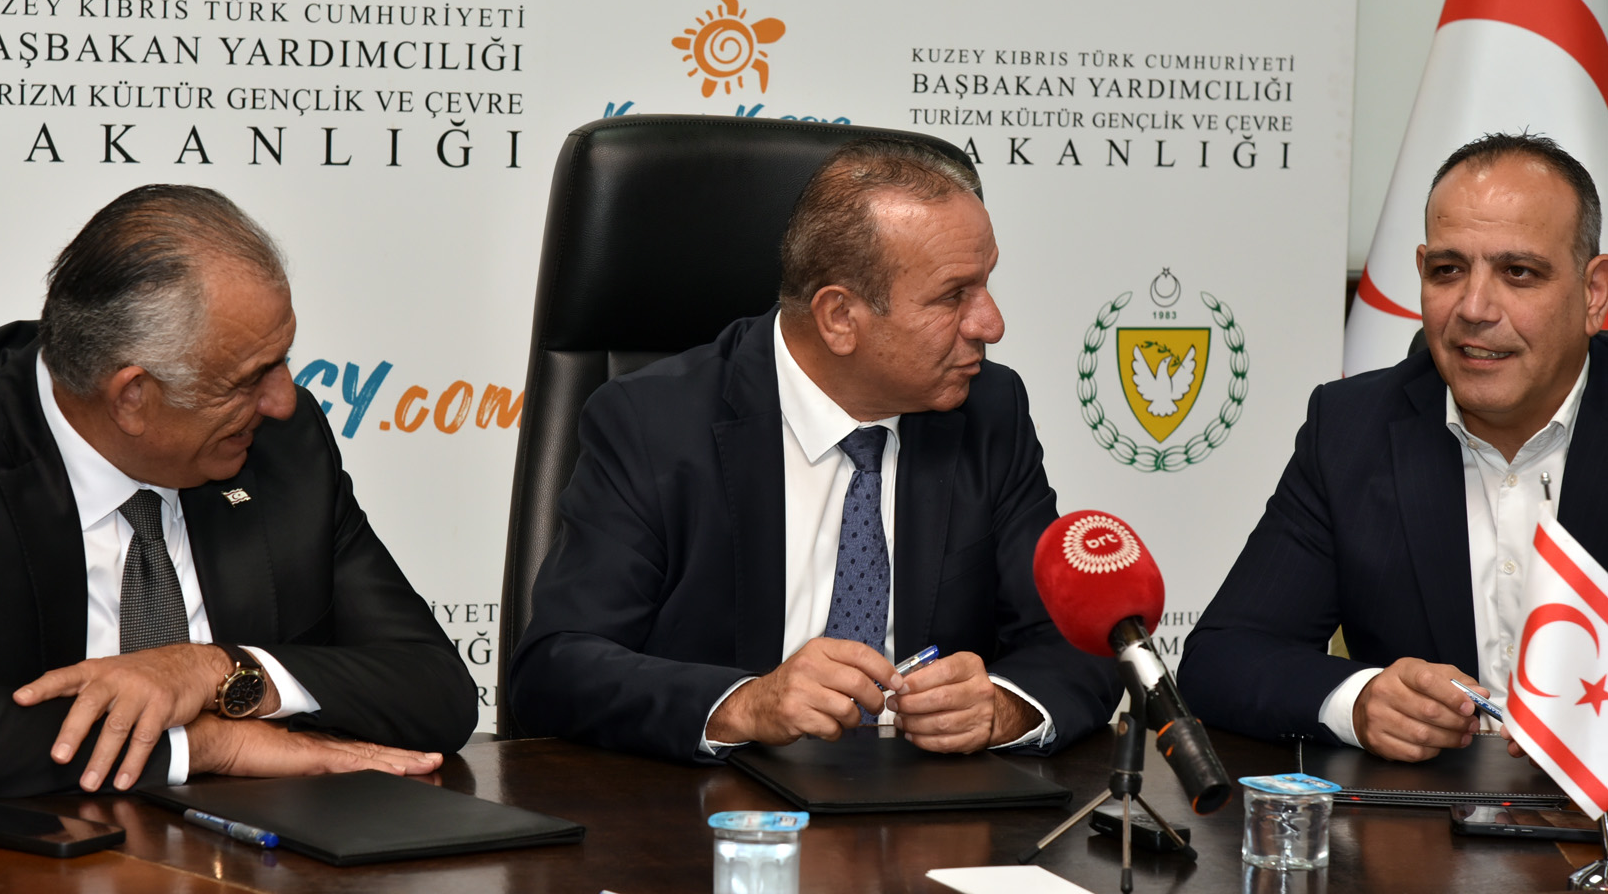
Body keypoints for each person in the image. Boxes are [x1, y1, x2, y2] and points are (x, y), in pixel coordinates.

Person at [509, 138, 1120, 762]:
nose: (990, 324)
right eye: (952, 295)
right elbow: (556, 667)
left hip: (928, 801)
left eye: (985, 283)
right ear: (839, 318)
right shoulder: (653, 423)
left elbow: (1084, 642)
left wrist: (1002, 705)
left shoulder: (990, 411)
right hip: (717, 804)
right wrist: (746, 704)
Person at [0, 184, 476, 798]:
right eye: (250, 379)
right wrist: (209, 745)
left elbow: (435, 688)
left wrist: (213, 670)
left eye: (282, 361)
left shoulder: (283, 448)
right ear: (132, 397)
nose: (284, 401)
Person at [1180, 132, 1608, 762]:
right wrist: (1359, 700)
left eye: (1518, 273)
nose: (1474, 307)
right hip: (1424, 815)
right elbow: (1221, 657)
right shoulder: (1351, 430)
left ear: (1594, 292)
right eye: (1448, 271)